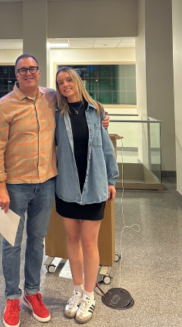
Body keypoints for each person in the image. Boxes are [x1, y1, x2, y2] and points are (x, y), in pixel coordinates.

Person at [0, 55, 109, 327]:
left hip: (46, 184)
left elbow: (81, 105)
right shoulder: (3, 106)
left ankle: (32, 293)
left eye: (32, 68)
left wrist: (102, 115)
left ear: (39, 72)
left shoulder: (51, 97)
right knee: (10, 243)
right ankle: (12, 298)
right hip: (13, 187)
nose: (28, 73)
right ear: (15, 74)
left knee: (36, 241)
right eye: (22, 70)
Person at [55, 67, 119, 324]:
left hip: (93, 185)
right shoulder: (56, 113)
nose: (65, 84)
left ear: (77, 81)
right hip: (68, 186)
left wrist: (111, 179)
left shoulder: (96, 110)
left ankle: (90, 296)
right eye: (60, 82)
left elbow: (105, 147)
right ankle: (77, 292)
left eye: (69, 79)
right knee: (72, 239)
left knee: (90, 243)